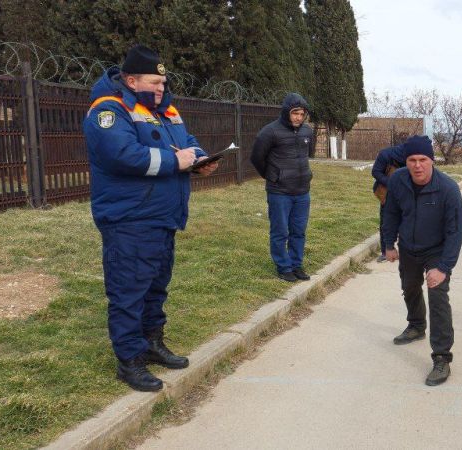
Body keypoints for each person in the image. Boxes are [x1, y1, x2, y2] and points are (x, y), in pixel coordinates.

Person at [83, 44, 219, 392]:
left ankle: (152, 343)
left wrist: (200, 159)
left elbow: (187, 141)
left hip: (162, 217)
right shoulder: (108, 111)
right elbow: (122, 155)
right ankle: (129, 360)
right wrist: (177, 162)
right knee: (129, 291)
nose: (161, 87)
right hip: (130, 219)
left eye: (163, 82)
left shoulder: (164, 109)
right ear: (131, 80)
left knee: (155, 287)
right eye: (154, 82)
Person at [382, 135, 462, 386]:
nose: (417, 165)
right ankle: (417, 325)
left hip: (437, 250)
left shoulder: (448, 189)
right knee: (409, 287)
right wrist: (388, 244)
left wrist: (444, 267)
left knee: (437, 296)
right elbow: (390, 213)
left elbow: (455, 232)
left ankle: (442, 357)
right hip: (409, 247)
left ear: (432, 160)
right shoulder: (398, 180)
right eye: (412, 160)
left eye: (423, 159)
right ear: (405, 161)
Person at [250, 93, 315, 282]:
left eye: (302, 114)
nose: (299, 118)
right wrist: (273, 176)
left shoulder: (307, 132)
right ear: (287, 112)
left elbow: (307, 155)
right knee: (280, 231)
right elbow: (256, 158)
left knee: (299, 231)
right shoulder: (269, 132)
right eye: (295, 113)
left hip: (302, 192)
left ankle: (296, 265)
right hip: (280, 192)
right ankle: (283, 267)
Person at [371, 137, 407, 262]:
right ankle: (385, 251)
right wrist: (391, 182)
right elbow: (376, 172)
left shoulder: (411, 156)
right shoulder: (385, 155)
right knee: (385, 222)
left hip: (406, 192)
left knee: (407, 221)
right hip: (387, 192)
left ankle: (405, 251)